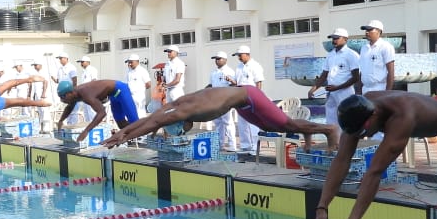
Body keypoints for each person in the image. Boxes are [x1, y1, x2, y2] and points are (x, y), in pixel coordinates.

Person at [100, 85, 339, 152]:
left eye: (180, 131)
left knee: (283, 124)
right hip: (241, 102)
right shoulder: (175, 106)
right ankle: (307, 133)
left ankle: (328, 130)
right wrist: (122, 133)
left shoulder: (182, 111)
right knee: (270, 126)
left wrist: (122, 138)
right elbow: (147, 120)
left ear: (183, 124)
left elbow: (151, 124)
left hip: (249, 95)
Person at [55, 78, 140, 143]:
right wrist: (61, 120)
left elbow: (102, 113)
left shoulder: (85, 94)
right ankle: (132, 141)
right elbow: (69, 107)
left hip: (120, 89)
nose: (62, 100)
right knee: (120, 122)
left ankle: (141, 138)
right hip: (112, 95)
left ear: (70, 93)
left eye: (63, 97)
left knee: (134, 122)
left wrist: (86, 130)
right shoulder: (75, 95)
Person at [309, 28, 361, 131]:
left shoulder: (351, 55)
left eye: (337, 38)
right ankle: (334, 144)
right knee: (331, 120)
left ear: (345, 39)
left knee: (346, 119)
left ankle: (346, 144)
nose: (334, 40)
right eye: (333, 38)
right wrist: (313, 89)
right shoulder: (330, 55)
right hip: (331, 92)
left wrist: (338, 87)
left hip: (345, 93)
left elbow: (356, 77)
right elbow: (324, 74)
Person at [233, 44, 265, 152]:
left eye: (240, 55)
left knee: (253, 124)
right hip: (240, 98)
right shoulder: (239, 67)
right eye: (238, 55)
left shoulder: (255, 66)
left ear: (247, 54)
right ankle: (245, 145)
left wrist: (258, 98)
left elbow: (259, 82)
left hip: (252, 98)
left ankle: (255, 147)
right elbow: (237, 82)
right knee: (242, 123)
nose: (239, 57)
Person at [208, 51, 238, 152]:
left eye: (219, 59)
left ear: (225, 60)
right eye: (216, 59)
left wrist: (231, 81)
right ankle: (219, 144)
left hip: (225, 101)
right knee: (218, 123)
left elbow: (235, 85)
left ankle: (232, 145)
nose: (217, 61)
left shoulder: (230, 71)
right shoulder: (213, 73)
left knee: (228, 123)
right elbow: (211, 86)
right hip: (215, 101)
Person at [359, 20, 396, 94]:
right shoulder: (364, 48)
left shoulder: (385, 47)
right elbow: (362, 71)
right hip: (365, 89)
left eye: (370, 30)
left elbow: (391, 72)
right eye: (366, 30)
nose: (366, 32)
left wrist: (387, 93)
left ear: (379, 31)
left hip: (379, 89)